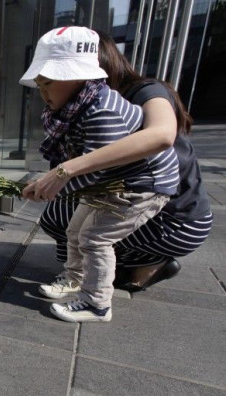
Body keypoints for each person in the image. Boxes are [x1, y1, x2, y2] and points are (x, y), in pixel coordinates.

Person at [19, 26, 179, 323]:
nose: (42, 93)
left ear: (76, 75)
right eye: (39, 85)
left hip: (140, 186)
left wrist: (50, 187)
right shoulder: (77, 106)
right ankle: (74, 278)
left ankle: (97, 303)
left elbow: (94, 169)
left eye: (48, 83)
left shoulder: (102, 110)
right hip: (113, 183)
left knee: (95, 238)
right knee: (74, 230)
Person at [33, 31, 213, 293]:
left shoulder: (139, 94)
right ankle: (91, 273)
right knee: (64, 217)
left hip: (176, 216)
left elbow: (161, 135)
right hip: (132, 196)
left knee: (81, 230)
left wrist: (67, 170)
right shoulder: (81, 106)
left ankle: (130, 273)